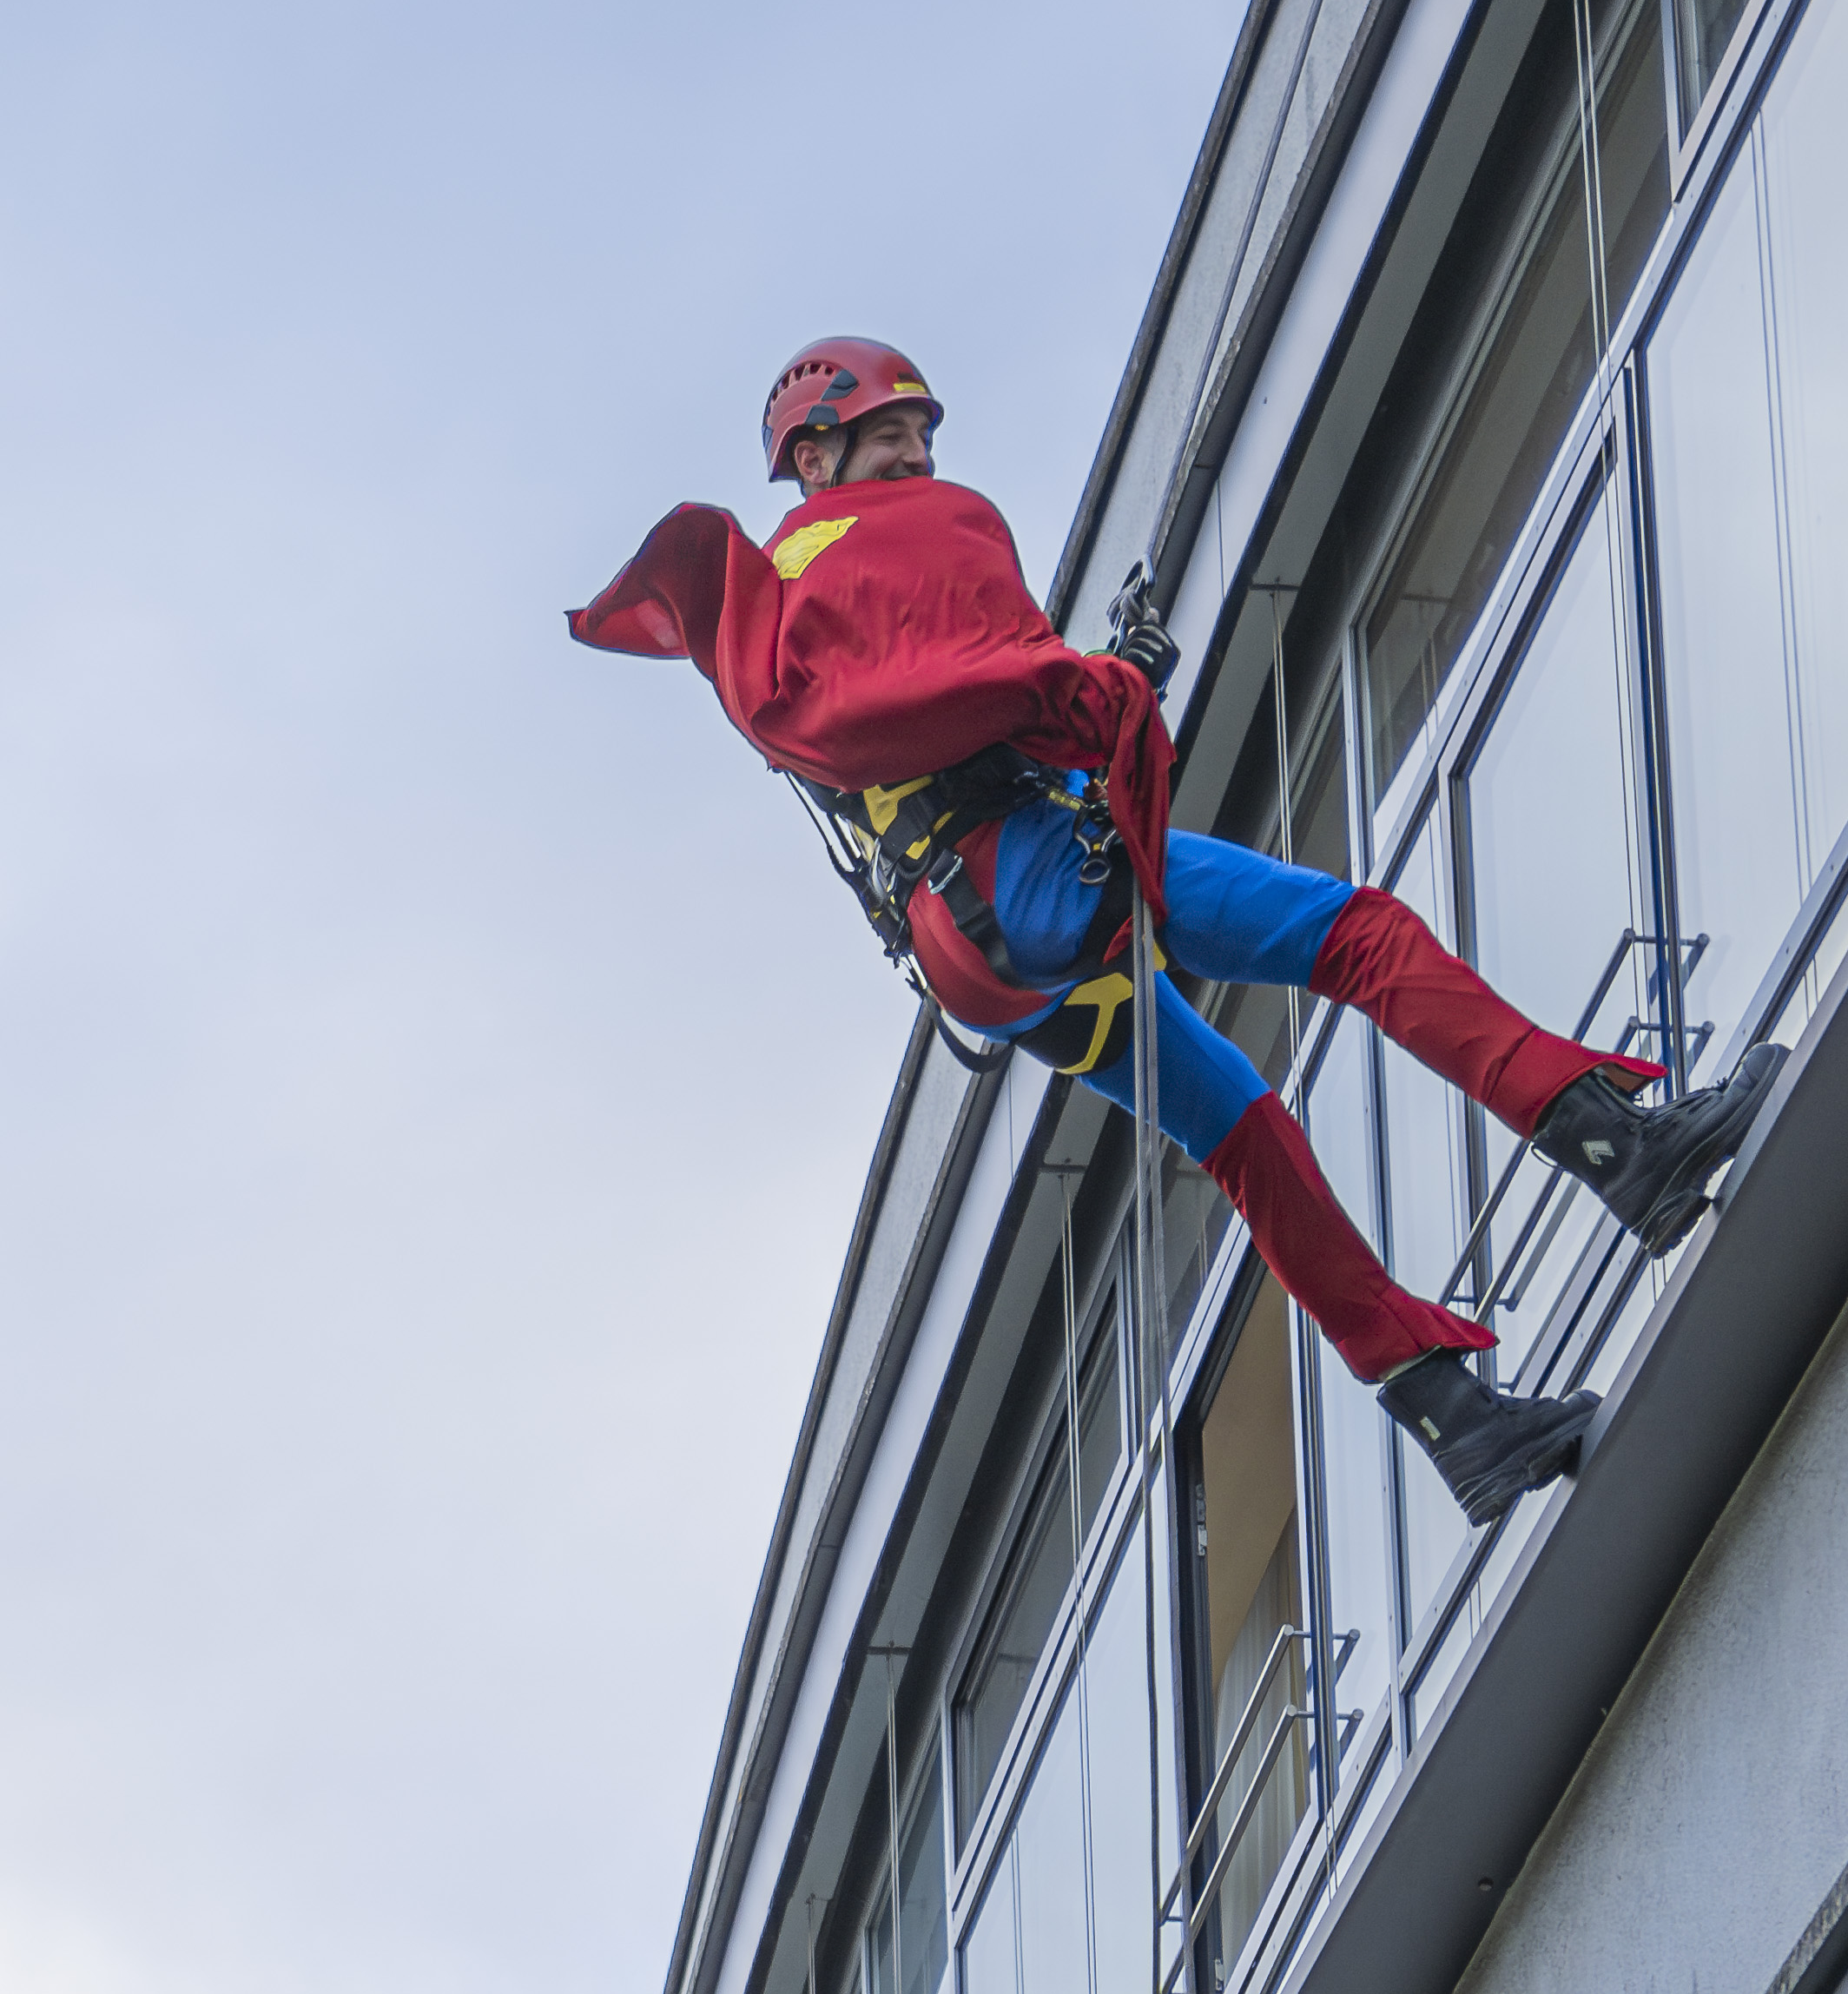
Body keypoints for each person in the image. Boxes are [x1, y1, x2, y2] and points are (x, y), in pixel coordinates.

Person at [570, 338, 1782, 1524]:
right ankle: (1623, 1150)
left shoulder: (777, 619)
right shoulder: (866, 541)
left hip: (987, 951)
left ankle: (1459, 1424)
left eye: (924, 436)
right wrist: (1095, 691)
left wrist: (1092, 678)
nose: (917, 459)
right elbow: (972, 685)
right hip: (1038, 874)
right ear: (816, 454)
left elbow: (946, 701)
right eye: (890, 435)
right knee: (1354, 933)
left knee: (1242, 1130)